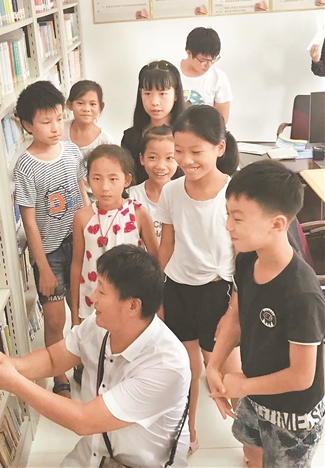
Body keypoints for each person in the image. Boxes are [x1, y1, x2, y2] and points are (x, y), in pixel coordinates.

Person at [0, 245, 191, 468]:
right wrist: (9, 365)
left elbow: (83, 420)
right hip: (95, 453)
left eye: (102, 291)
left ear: (133, 306)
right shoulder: (99, 324)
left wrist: (13, 383)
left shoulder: (167, 366)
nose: (92, 297)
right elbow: (53, 359)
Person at [207, 160, 325, 468]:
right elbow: (235, 317)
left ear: (277, 224)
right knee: (251, 452)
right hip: (254, 391)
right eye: (228, 215)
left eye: (238, 218)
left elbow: (301, 376)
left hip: (292, 415)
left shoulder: (302, 294)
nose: (228, 226)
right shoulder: (247, 259)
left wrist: (243, 386)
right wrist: (213, 366)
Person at [156, 104, 241, 454]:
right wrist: (157, 294)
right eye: (178, 151)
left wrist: (234, 308)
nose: (185, 160)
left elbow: (242, 255)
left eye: (196, 151)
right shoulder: (171, 192)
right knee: (186, 370)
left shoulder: (234, 193)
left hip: (217, 294)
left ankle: (251, 439)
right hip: (177, 290)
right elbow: (167, 245)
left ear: (219, 148)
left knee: (226, 371)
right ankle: (187, 431)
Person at [13, 80, 89, 398]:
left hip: (81, 244)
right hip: (51, 253)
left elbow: (83, 194)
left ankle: (83, 363)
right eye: (46, 122)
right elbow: (29, 222)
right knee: (56, 320)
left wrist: (93, 232)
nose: (56, 127)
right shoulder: (25, 167)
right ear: (27, 124)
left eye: (59, 118)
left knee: (81, 314)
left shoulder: (72, 151)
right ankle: (60, 376)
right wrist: (42, 267)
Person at [71, 144, 158, 326]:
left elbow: (155, 261)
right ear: (88, 180)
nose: (105, 187)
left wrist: (157, 306)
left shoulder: (138, 214)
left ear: (126, 180)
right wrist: (74, 313)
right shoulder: (82, 217)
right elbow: (77, 264)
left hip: (131, 300)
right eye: (97, 178)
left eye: (113, 179)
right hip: (93, 300)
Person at [121, 60, 184, 184]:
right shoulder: (131, 138)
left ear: (176, 95)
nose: (154, 102)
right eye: (148, 93)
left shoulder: (188, 135)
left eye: (163, 93)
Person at [128, 125, 178, 242]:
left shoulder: (185, 195)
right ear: (142, 158)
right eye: (152, 157)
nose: (160, 166)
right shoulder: (131, 196)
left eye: (169, 158)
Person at [180, 27, 233, 124]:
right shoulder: (172, 73)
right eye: (203, 60)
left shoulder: (219, 77)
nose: (208, 65)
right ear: (189, 53)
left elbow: (222, 120)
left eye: (213, 60)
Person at [63, 80, 113, 158]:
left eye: (92, 104)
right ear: (70, 104)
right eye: (80, 103)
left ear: (101, 107)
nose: (86, 109)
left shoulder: (105, 141)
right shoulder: (60, 129)